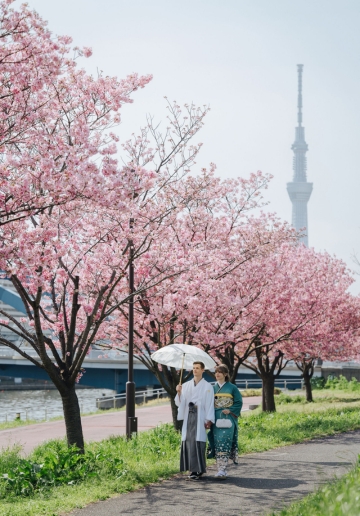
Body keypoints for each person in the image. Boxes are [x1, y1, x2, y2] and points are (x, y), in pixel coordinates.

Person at [175, 361, 215, 480]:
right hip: (189, 415)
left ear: (203, 370)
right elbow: (179, 402)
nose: (195, 370)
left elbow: (209, 404)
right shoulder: (186, 385)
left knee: (198, 442)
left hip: (200, 415)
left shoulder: (208, 386)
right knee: (188, 441)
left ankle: (198, 469)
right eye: (193, 368)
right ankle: (192, 469)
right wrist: (178, 392)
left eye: (197, 368)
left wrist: (208, 419)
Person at [207, 364, 243, 479]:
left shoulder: (232, 388)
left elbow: (239, 402)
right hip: (216, 417)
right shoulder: (212, 388)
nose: (217, 374)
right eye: (216, 372)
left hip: (228, 418)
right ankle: (220, 468)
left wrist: (230, 409)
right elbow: (208, 404)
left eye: (220, 372)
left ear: (225, 374)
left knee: (225, 442)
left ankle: (222, 469)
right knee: (217, 442)